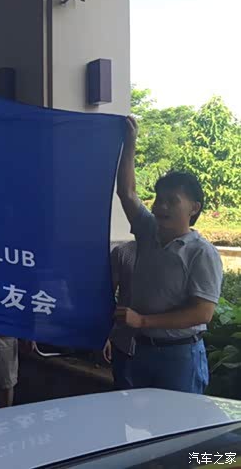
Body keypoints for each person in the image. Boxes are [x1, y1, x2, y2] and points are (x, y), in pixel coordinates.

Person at [115, 115, 223, 394]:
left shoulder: (201, 252)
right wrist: (129, 142)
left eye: (171, 201)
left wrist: (143, 321)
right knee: (140, 419)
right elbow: (127, 192)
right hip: (141, 350)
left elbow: (203, 312)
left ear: (194, 208)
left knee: (178, 420)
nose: (160, 206)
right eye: (158, 199)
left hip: (180, 356)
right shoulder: (148, 230)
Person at [103, 241, 137, 389]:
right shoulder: (123, 252)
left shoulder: (176, 253)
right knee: (124, 397)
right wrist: (104, 336)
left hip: (167, 349)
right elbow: (106, 295)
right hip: (125, 344)